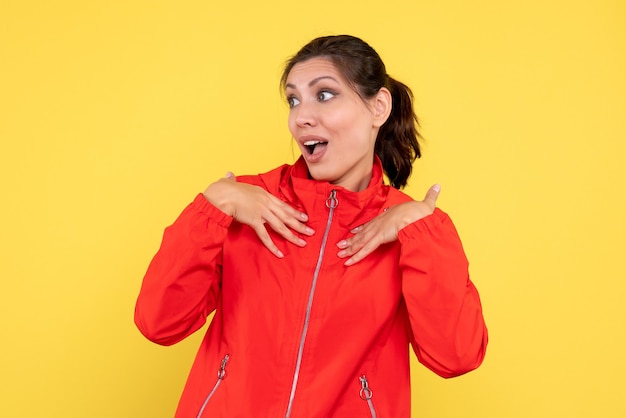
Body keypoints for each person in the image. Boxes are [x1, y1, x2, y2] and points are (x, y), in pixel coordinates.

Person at [135, 34, 488, 418]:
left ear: (378, 107)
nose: (301, 116)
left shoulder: (412, 228)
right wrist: (212, 207)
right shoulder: (244, 204)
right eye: (293, 99)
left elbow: (455, 356)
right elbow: (159, 323)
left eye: (324, 94)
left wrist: (421, 233)